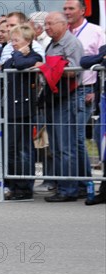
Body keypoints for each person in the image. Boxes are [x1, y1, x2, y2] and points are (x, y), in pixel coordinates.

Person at [36, 11, 84, 202]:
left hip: (67, 98)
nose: (46, 28)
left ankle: (69, 189)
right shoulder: (52, 44)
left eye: (50, 24)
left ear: (62, 25)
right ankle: (63, 185)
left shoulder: (71, 43)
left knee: (66, 146)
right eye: (45, 24)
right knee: (56, 146)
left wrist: (47, 68)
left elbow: (73, 71)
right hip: (54, 98)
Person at [63, 0, 106, 192]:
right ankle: (78, 182)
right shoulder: (65, 32)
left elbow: (102, 61)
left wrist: (94, 91)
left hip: (86, 90)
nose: (67, 12)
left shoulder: (96, 31)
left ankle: (84, 182)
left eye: (71, 8)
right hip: (65, 91)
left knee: (77, 137)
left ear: (83, 11)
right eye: (64, 8)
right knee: (68, 137)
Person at [0, 24, 43, 200]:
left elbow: (20, 64)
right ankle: (14, 185)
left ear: (28, 41)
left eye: (16, 40)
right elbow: (6, 65)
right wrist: (16, 55)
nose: (13, 44)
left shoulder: (35, 56)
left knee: (23, 149)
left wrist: (18, 55)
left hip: (23, 110)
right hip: (10, 109)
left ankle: (24, 187)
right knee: (12, 149)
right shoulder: (17, 56)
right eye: (12, 40)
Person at [80, 44, 106, 205]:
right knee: (103, 150)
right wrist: (101, 59)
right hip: (103, 108)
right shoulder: (104, 49)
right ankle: (104, 190)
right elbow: (84, 61)